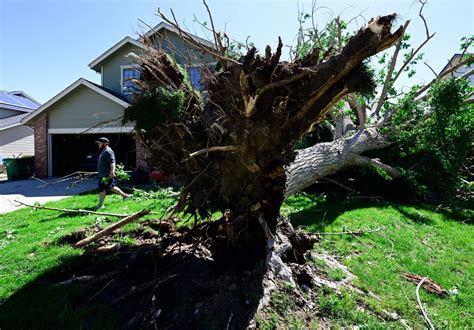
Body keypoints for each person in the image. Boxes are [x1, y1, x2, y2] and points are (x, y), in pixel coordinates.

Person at [95, 137, 130, 209]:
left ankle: (100, 205)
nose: (98, 144)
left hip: (105, 175)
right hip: (103, 174)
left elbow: (112, 162)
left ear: (105, 143)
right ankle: (125, 196)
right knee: (111, 187)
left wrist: (112, 171)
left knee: (102, 189)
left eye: (100, 143)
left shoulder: (108, 151)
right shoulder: (104, 151)